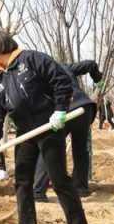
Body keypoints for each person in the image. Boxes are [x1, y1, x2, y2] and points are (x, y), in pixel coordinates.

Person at [0, 31, 93, 224]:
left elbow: (62, 81)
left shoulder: (32, 59)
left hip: (49, 127)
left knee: (59, 179)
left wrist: (60, 109)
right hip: (24, 133)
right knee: (22, 179)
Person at [33, 60, 104, 202]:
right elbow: (90, 64)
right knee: (80, 149)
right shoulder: (63, 66)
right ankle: (81, 187)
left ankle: (38, 191)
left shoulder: (36, 76)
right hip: (84, 108)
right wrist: (98, 79)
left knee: (49, 148)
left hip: (65, 109)